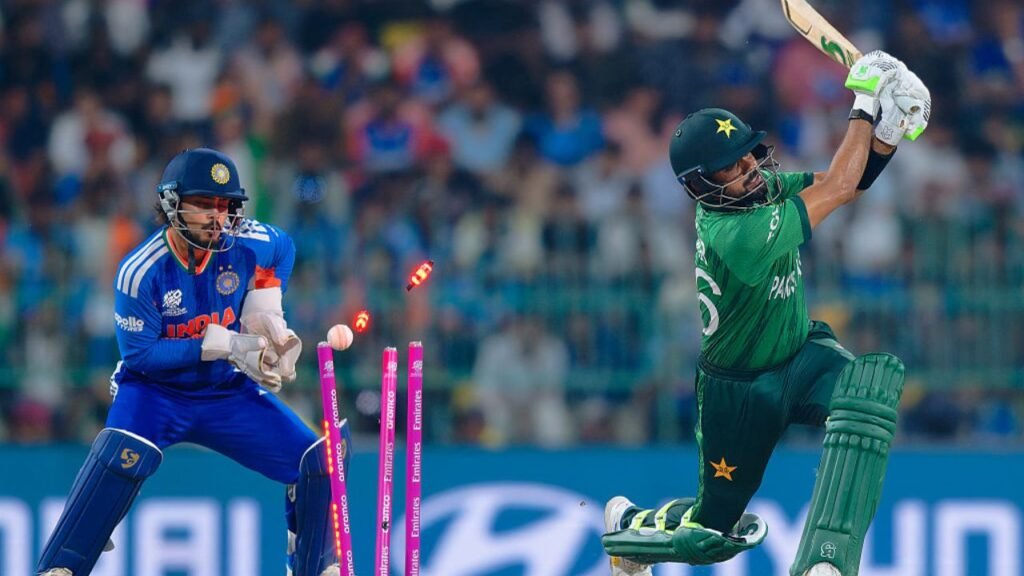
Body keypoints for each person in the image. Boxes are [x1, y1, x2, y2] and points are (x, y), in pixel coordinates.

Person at [601, 51, 931, 576]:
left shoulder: (753, 192)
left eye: (747, 155)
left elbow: (846, 181)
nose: (749, 168)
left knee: (866, 397)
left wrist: (888, 130)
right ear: (699, 184)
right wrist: (864, 102)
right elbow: (839, 187)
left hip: (800, 355)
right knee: (714, 534)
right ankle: (631, 530)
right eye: (731, 165)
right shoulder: (736, 233)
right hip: (740, 393)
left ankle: (828, 558)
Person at [37, 148, 349, 576]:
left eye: (225, 205)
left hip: (223, 390)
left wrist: (266, 310)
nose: (217, 217)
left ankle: (314, 564)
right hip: (154, 391)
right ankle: (61, 566)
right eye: (204, 204)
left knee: (319, 460)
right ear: (172, 204)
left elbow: (282, 248)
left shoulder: (248, 241)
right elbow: (141, 355)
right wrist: (224, 343)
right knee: (122, 454)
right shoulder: (140, 271)